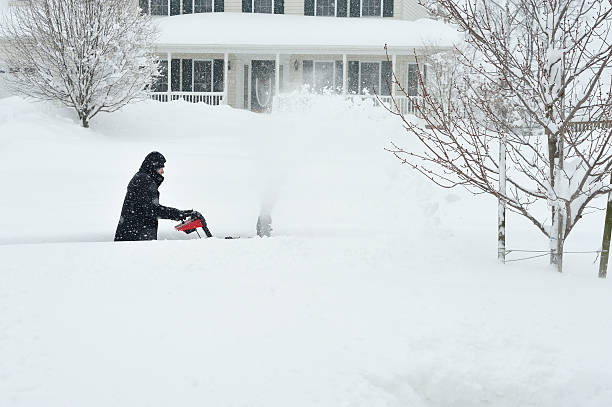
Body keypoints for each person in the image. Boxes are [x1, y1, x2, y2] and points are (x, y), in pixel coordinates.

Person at [114, 151, 194, 241]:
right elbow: (152, 210)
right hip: (135, 239)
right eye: (161, 168)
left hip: (134, 235)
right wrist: (176, 214)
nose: (163, 171)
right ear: (153, 166)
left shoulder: (143, 178)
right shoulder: (144, 180)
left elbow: (149, 209)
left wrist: (178, 213)